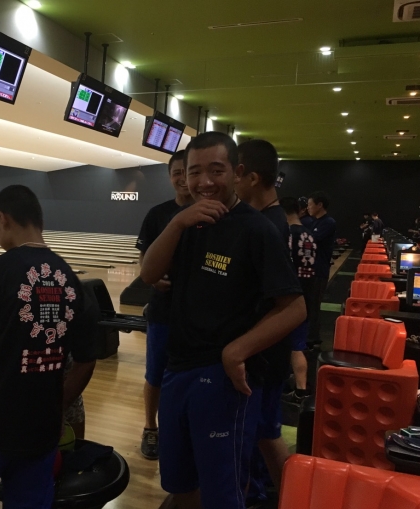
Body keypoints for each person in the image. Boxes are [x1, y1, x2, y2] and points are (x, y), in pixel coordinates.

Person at [141, 132, 305, 509]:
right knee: (179, 482)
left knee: (223, 491)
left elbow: (295, 308)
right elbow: (149, 274)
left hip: (222, 380)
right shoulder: (186, 223)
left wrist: (237, 351)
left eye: (216, 170)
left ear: (237, 173)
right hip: (177, 369)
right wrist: (177, 224)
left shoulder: (256, 229)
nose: (204, 181)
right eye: (194, 172)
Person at [0, 185, 99, 509]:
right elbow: (86, 361)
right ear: (40, 221)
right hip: (41, 429)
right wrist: (57, 405)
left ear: (2, 219)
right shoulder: (70, 278)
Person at [236, 139, 302, 498]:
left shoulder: (268, 227)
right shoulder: (276, 221)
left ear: (251, 178)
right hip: (270, 353)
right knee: (264, 433)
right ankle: (287, 496)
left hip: (263, 356)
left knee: (259, 436)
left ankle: (288, 497)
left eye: (235, 172)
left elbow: (287, 304)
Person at [135, 149, 193, 460]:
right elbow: (144, 257)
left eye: (187, 171)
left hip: (197, 314)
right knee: (155, 373)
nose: (182, 179)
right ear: (170, 177)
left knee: (191, 374)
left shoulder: (210, 211)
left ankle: (184, 429)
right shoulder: (157, 214)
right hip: (162, 311)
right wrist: (152, 279)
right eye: (176, 173)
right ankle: (150, 427)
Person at [280, 197, 316, 404]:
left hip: (288, 298)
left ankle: (294, 388)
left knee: (291, 347)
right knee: (298, 346)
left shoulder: (287, 234)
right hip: (306, 294)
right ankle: (301, 387)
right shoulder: (308, 234)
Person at [306, 191, 336, 347]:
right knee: (308, 305)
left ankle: (312, 339)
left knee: (313, 305)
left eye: (310, 204)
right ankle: (310, 336)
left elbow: (312, 240)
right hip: (311, 269)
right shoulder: (313, 222)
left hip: (319, 270)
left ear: (319, 205)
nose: (308, 207)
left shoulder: (328, 222)